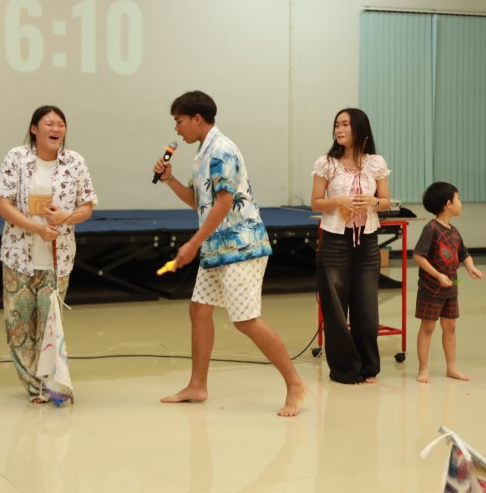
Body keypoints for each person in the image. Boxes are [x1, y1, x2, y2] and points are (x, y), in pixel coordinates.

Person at [154, 91, 308, 417]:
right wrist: (169, 180)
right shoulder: (202, 153)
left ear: (197, 118)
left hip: (241, 247)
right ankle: (197, 385)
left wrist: (192, 243)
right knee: (199, 310)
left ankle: (295, 383)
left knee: (245, 320)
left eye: (179, 121)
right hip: (216, 248)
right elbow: (200, 202)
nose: (177, 129)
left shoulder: (221, 150)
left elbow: (224, 204)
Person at [0, 105, 97, 403]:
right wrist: (37, 229)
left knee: (50, 326)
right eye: (49, 124)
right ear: (34, 129)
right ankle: (34, 387)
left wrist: (65, 217)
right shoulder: (16, 157)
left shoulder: (74, 162)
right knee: (19, 327)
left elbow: (87, 207)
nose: (56, 129)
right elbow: (3, 205)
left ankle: (53, 383)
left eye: (61, 124)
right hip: (18, 257)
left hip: (57, 258)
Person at [310, 108, 391, 385]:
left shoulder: (375, 163)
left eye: (345, 124)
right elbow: (316, 202)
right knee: (335, 308)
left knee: (366, 307)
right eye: (337, 125)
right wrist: (338, 202)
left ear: (359, 128)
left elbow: (386, 202)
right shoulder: (327, 164)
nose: (339, 129)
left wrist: (373, 202)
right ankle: (345, 369)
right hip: (335, 240)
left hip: (367, 240)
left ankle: (368, 367)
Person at [412, 182, 484, 383]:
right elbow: (418, 255)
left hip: (450, 290)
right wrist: (437, 275)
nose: (461, 203)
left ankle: (451, 368)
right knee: (428, 327)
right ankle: (423, 369)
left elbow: (464, 253)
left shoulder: (454, 231)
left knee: (450, 327)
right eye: (458, 199)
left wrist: (471, 268)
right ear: (448, 204)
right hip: (430, 289)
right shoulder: (431, 228)